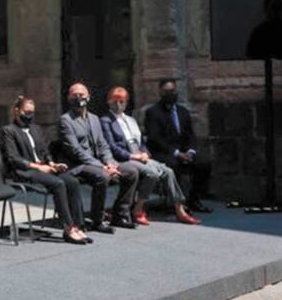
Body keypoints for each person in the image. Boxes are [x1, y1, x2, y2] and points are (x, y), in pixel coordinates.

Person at [100, 87, 200, 226]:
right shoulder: (105, 120)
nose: (118, 105)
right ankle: (138, 210)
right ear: (109, 101)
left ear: (126, 102)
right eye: (115, 101)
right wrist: (134, 156)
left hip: (139, 154)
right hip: (125, 158)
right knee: (151, 173)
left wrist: (145, 152)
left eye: (122, 101)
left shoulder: (130, 120)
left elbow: (140, 141)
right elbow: (112, 146)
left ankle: (180, 210)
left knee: (168, 171)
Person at [1, 96, 91, 244]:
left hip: (44, 167)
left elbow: (44, 151)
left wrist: (52, 163)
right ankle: (68, 228)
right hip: (26, 170)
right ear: (17, 111)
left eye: (32, 112)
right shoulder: (8, 131)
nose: (29, 115)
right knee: (58, 184)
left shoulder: (35, 129)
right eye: (26, 112)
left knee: (72, 181)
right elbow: (13, 158)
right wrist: (39, 167)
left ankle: (78, 225)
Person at [58, 82, 139, 233]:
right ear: (68, 98)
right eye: (74, 95)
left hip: (100, 163)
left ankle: (120, 215)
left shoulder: (94, 118)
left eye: (81, 95)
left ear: (88, 97)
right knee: (103, 176)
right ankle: (97, 220)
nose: (78, 98)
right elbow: (75, 151)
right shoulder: (66, 120)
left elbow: (102, 145)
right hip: (78, 165)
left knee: (131, 171)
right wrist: (103, 167)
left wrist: (110, 162)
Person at [144, 79, 212, 214]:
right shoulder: (153, 112)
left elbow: (190, 135)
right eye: (166, 91)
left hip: (184, 151)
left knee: (204, 163)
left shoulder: (183, 112)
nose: (170, 94)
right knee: (173, 165)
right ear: (160, 92)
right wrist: (176, 153)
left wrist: (190, 152)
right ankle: (178, 204)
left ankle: (194, 199)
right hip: (164, 152)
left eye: (172, 91)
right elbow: (155, 139)